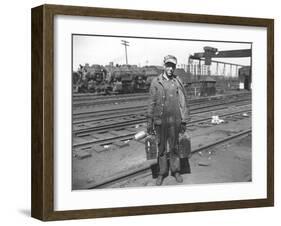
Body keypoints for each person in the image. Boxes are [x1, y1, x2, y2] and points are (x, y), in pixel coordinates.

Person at [147, 55, 189, 186]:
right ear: (164, 66)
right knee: (161, 148)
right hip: (160, 120)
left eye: (173, 66)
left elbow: (183, 102)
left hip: (175, 120)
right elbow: (151, 102)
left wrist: (184, 120)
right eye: (168, 65)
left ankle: (176, 171)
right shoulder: (156, 82)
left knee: (175, 147)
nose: (170, 68)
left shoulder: (178, 82)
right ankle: (162, 173)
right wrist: (149, 121)